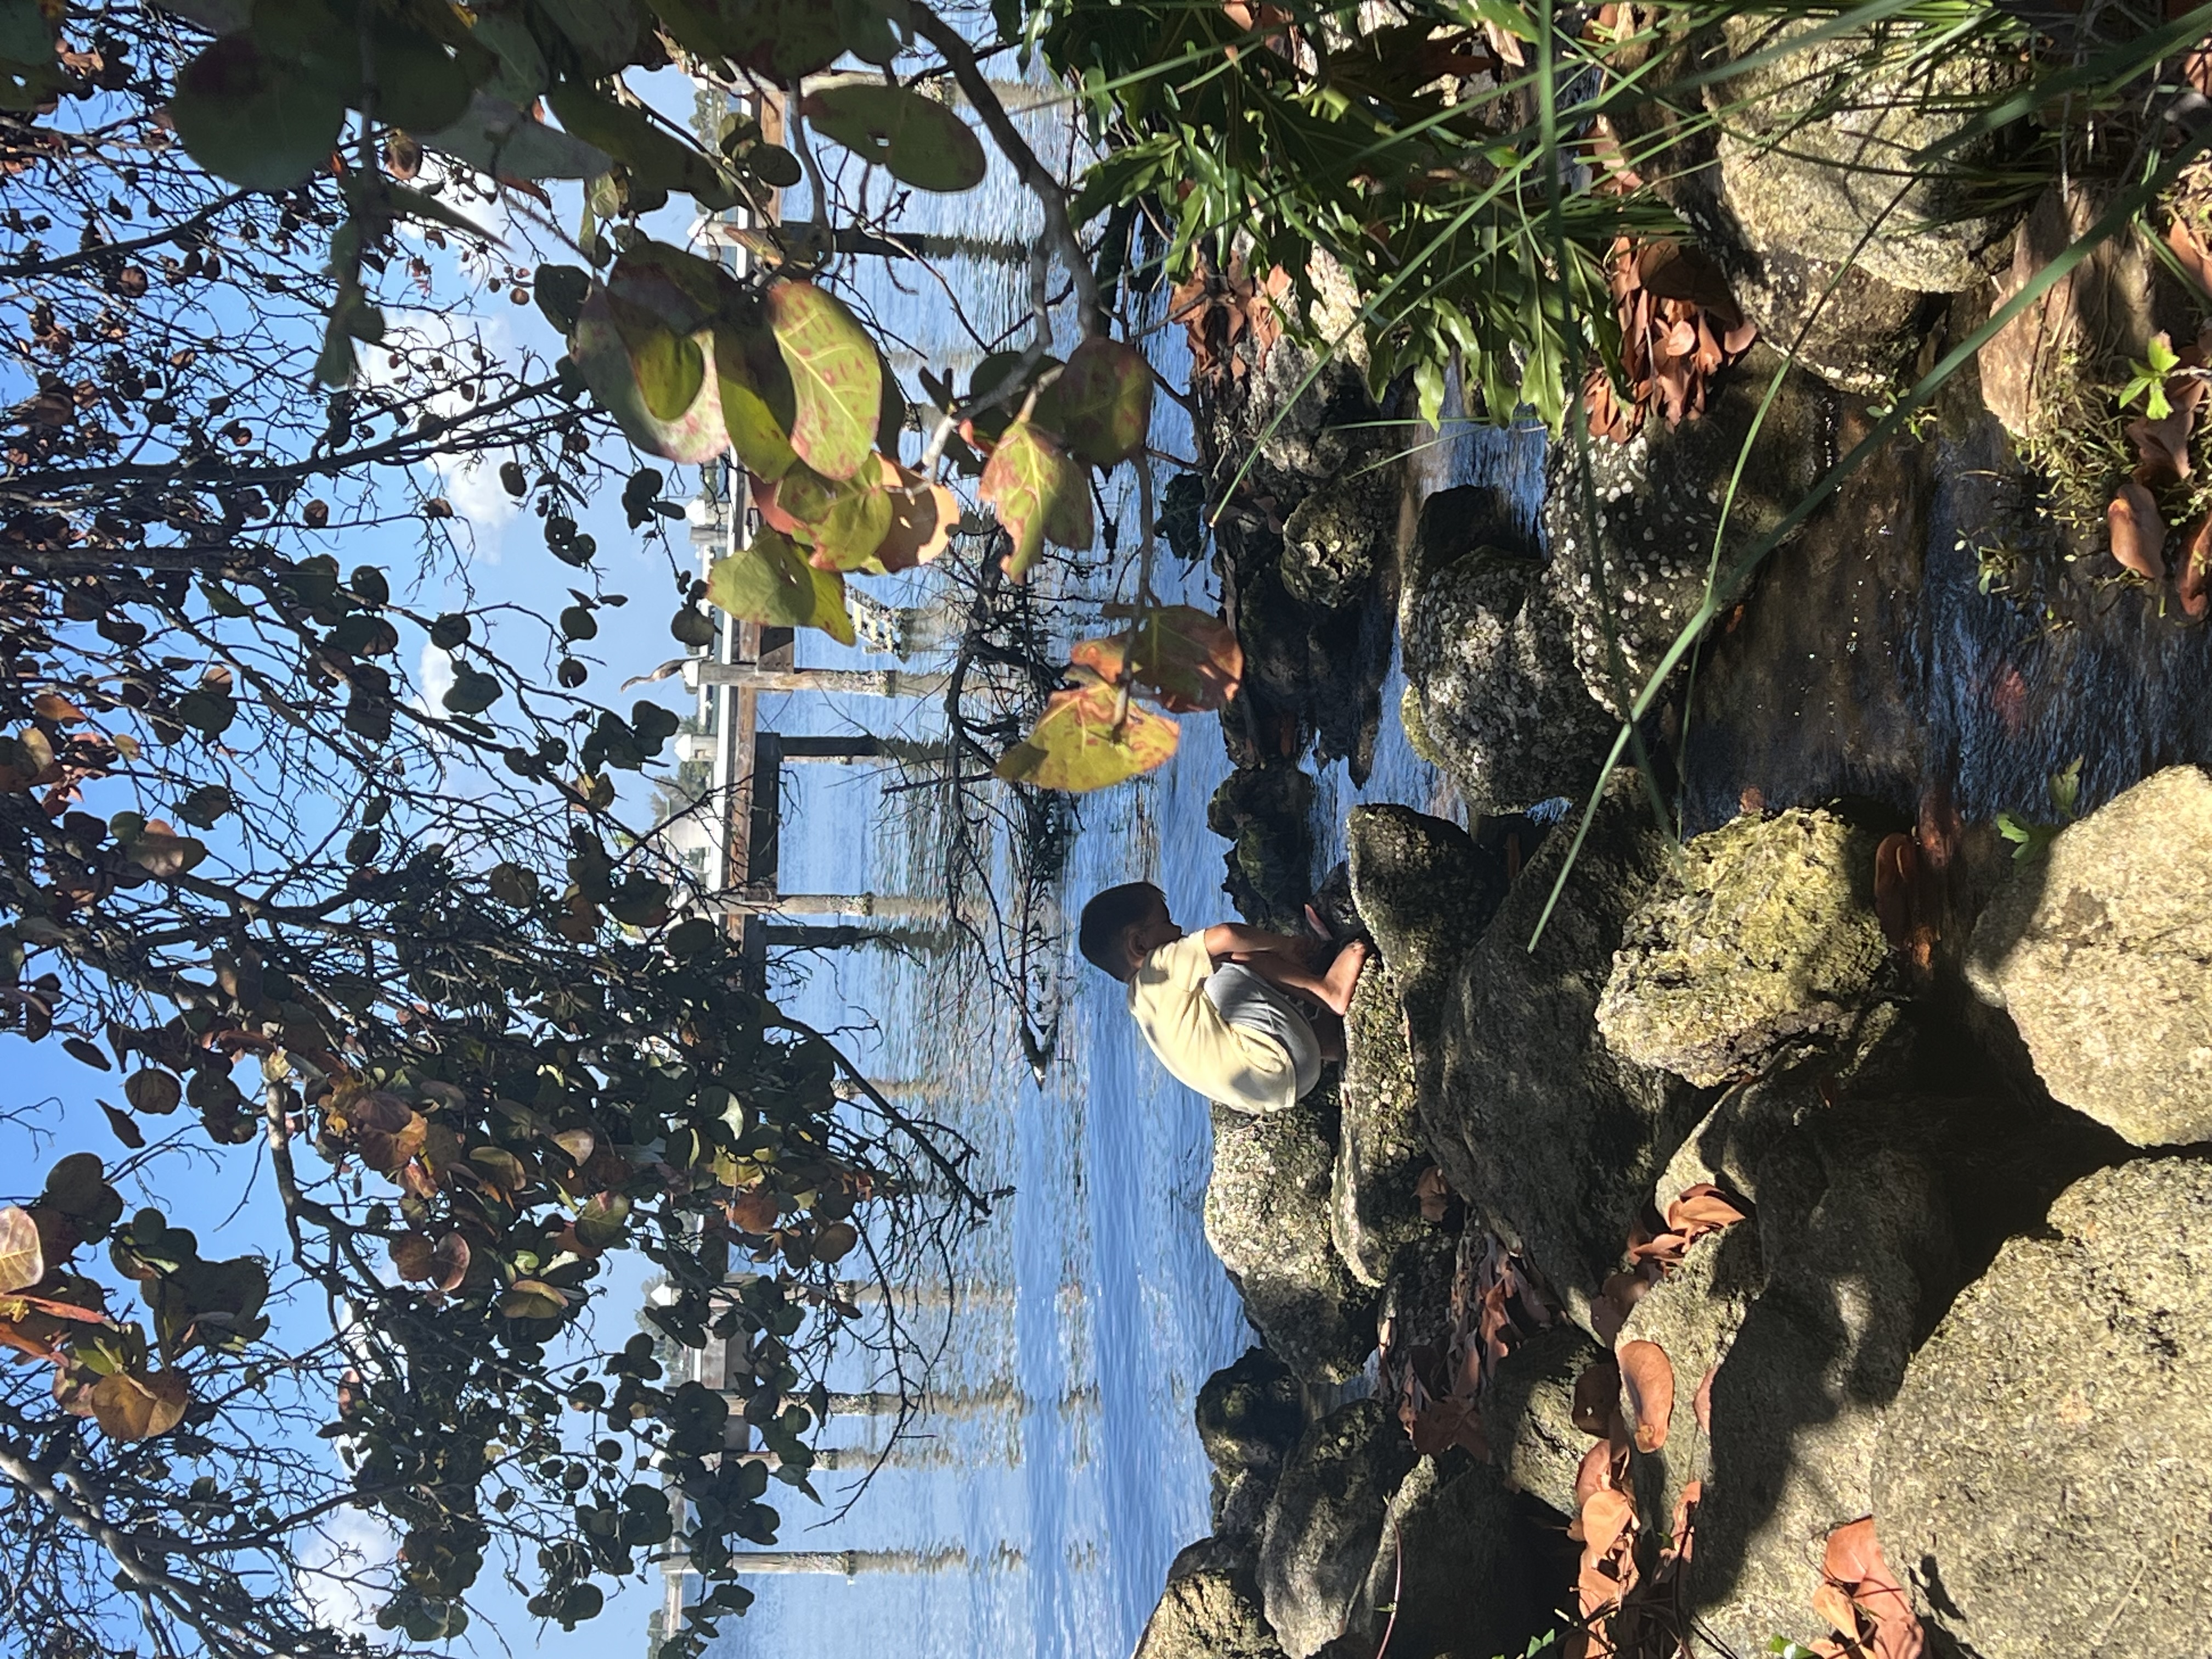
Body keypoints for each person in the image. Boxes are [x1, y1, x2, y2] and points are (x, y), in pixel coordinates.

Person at [1078, 880, 1367, 1114]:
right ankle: (1328, 992)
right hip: (1283, 1062)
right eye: (1166, 922)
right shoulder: (1157, 969)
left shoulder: (1142, 1005)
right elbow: (1226, 935)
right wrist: (1284, 945)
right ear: (1139, 943)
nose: (1178, 930)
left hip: (1277, 1093)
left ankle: (1324, 1039)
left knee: (1209, 990)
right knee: (1225, 958)